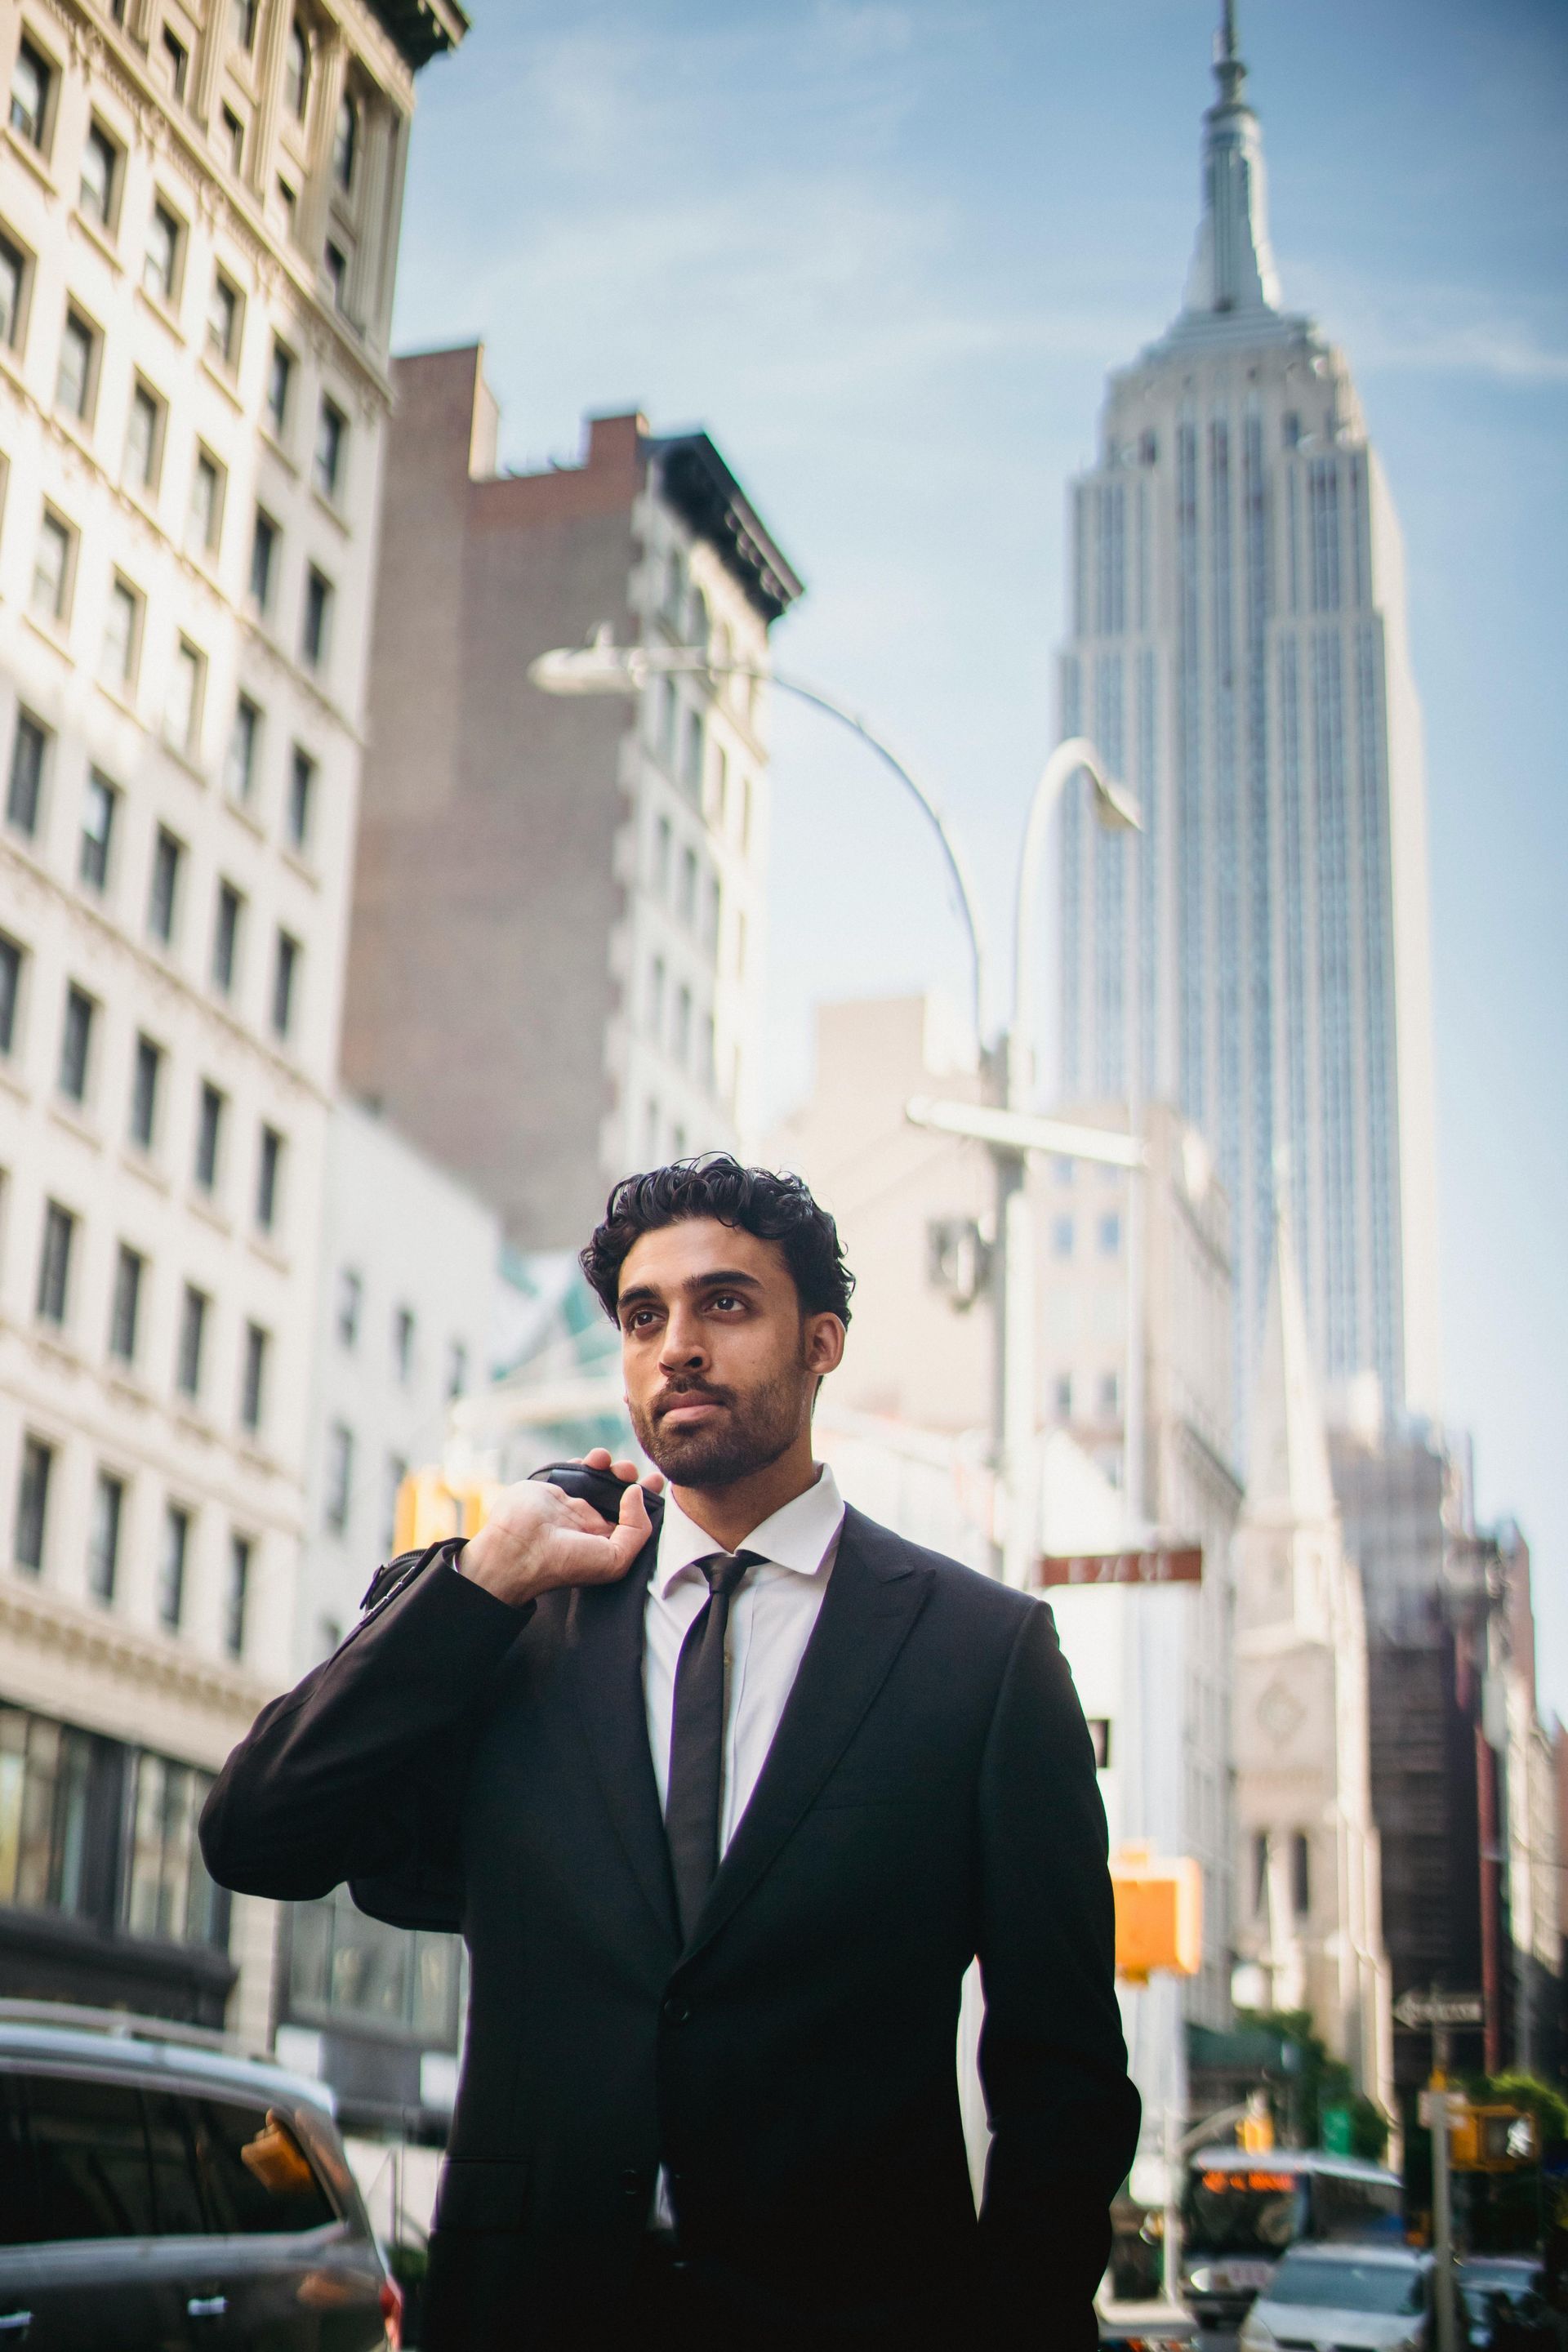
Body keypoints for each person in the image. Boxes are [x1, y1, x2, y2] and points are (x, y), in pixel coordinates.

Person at [201, 1156, 1138, 2350]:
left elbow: (1064, 2074)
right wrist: (480, 1579)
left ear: (823, 1342)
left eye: (726, 1304)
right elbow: (257, 1837)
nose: (677, 1345)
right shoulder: (513, 1618)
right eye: (645, 1318)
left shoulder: (984, 1657)